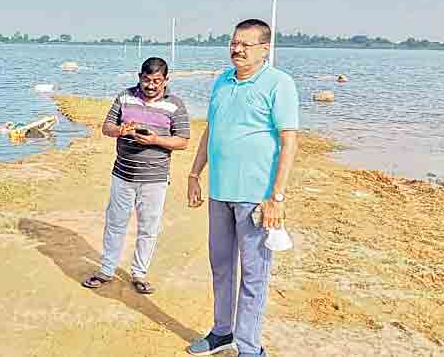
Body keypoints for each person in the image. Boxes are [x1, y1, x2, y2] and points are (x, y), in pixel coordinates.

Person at [186, 19, 300, 357]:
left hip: (256, 197)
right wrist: (194, 174)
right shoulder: (222, 81)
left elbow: (289, 141)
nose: (236, 49)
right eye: (234, 43)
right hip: (220, 192)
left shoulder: (279, 83)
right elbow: (212, 130)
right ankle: (222, 332)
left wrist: (276, 197)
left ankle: (250, 347)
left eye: (245, 45)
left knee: (253, 274)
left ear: (264, 49)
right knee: (220, 266)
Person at [80, 57, 190, 294]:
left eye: (156, 81)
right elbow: (106, 127)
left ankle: (139, 274)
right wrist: (121, 130)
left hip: (155, 179)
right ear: (139, 77)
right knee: (115, 223)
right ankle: (106, 270)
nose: (150, 85)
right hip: (122, 174)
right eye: (146, 80)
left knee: (148, 228)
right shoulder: (125, 97)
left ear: (166, 80)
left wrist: (156, 140)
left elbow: (183, 141)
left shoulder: (175, 105)